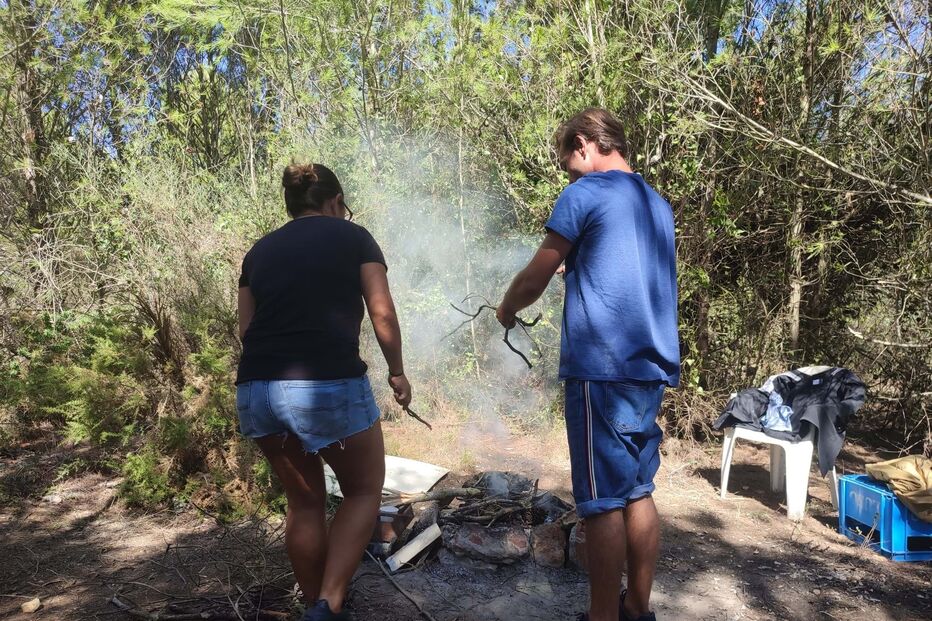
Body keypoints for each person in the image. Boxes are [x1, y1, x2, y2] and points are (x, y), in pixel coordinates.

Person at [496, 108, 679, 621]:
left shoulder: (586, 194)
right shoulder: (656, 203)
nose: (569, 176)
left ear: (584, 144)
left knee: (601, 502)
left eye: (568, 165)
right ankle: (637, 609)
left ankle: (602, 616)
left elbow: (534, 277)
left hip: (601, 368)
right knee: (638, 491)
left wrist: (507, 308)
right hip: (651, 368)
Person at [236, 163, 410, 621]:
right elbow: (383, 313)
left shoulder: (258, 253)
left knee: (305, 502)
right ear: (335, 201)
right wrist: (396, 372)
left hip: (257, 387)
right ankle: (329, 602)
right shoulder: (354, 238)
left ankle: (315, 604)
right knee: (363, 490)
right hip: (328, 384)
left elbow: (246, 330)